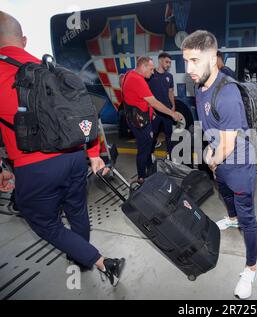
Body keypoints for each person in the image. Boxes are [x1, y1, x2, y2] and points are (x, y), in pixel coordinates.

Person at [0, 11, 125, 285]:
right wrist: (93, 155)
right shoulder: (50, 68)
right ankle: (80, 258)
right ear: (23, 40)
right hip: (73, 158)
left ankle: (102, 262)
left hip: (33, 166)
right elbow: (83, 114)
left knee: (46, 224)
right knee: (77, 211)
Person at [182, 30, 257, 299]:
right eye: (186, 61)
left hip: (239, 165)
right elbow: (211, 128)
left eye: (194, 60)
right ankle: (231, 217)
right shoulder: (200, 86)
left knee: (248, 219)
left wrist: (211, 159)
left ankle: (250, 269)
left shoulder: (227, 93)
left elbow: (227, 146)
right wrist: (211, 155)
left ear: (213, 58)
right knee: (224, 193)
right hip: (221, 162)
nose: (188, 69)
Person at [122, 57, 181, 184]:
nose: (152, 72)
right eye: (150, 69)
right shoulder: (138, 80)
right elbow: (154, 102)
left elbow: (137, 98)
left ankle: (149, 171)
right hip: (140, 122)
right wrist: (172, 114)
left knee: (147, 147)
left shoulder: (129, 74)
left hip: (135, 119)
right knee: (144, 149)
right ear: (142, 67)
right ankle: (142, 178)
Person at [146, 52, 176, 158]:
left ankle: (170, 155)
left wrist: (173, 105)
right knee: (153, 134)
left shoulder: (169, 76)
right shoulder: (151, 74)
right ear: (160, 60)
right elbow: (145, 92)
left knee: (169, 134)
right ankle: (151, 154)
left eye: (170, 63)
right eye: (167, 62)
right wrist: (149, 106)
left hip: (167, 110)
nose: (168, 65)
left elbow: (170, 91)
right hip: (155, 111)